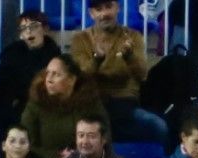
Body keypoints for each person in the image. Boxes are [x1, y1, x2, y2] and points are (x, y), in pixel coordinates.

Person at [70, 0, 164, 144]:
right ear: (91, 13)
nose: (104, 13)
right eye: (98, 9)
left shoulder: (133, 36)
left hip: (126, 104)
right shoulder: (80, 39)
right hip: (93, 105)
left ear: (117, 8)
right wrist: (97, 59)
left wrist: (129, 57)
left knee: (158, 125)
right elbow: (81, 77)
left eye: (108, 7)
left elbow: (142, 74)